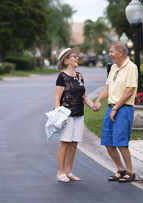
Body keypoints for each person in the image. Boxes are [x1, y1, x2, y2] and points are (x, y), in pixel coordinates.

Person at [93, 41, 138, 183]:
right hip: (111, 108)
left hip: (123, 109)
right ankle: (120, 169)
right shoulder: (113, 67)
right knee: (108, 141)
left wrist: (115, 108)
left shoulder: (131, 67)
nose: (110, 54)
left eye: (112, 51)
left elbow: (129, 91)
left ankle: (130, 172)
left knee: (121, 142)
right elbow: (107, 87)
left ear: (121, 53)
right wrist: (99, 100)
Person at [54, 47, 94, 183]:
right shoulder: (62, 76)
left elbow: (84, 96)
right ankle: (60, 172)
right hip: (67, 115)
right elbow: (56, 98)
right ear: (66, 61)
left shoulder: (79, 76)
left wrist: (93, 105)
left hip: (79, 114)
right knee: (65, 142)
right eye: (73, 56)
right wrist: (58, 115)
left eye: (76, 56)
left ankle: (68, 171)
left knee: (74, 143)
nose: (76, 58)